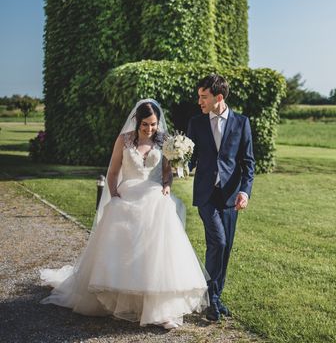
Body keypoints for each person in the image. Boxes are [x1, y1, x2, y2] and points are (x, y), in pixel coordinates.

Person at [40, 99, 209, 330]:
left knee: (157, 254)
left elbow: (167, 174)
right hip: (127, 196)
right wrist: (115, 195)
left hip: (154, 197)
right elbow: (112, 173)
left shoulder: (165, 142)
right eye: (145, 125)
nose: (150, 129)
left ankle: (160, 310)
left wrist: (167, 186)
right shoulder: (124, 140)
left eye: (153, 125)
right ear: (137, 122)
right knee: (122, 250)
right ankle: (119, 300)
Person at [187, 74, 255, 322]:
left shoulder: (241, 123)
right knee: (218, 243)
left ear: (219, 97)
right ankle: (212, 300)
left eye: (203, 97)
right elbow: (191, 159)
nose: (199, 102)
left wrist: (244, 192)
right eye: (198, 96)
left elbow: (248, 163)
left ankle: (215, 296)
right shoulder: (196, 122)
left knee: (225, 250)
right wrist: (177, 163)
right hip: (206, 195)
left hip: (230, 197)